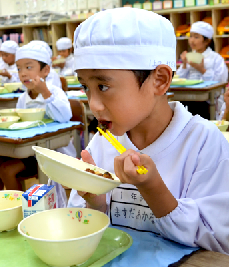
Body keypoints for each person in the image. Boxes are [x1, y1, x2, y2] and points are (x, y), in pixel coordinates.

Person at [68, 8, 229, 254]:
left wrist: (153, 188)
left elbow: (219, 242)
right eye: (85, 87)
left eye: (103, 86)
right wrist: (96, 202)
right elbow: (80, 225)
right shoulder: (103, 142)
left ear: (160, 80)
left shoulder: (203, 143)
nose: (93, 105)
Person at [0, 41, 72, 193]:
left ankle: (20, 211)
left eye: (29, 67)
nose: (23, 73)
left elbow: (65, 117)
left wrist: (46, 94)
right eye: (19, 69)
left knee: (7, 170)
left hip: (49, 151)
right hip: (26, 148)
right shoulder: (23, 98)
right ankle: (2, 203)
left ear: (46, 70)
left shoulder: (55, 92)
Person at [176, 21, 228, 119]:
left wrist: (201, 69)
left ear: (207, 41)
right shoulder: (189, 56)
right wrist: (184, 64)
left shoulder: (216, 58)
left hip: (207, 101)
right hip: (188, 97)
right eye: (190, 36)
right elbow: (180, 79)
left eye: (196, 37)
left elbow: (221, 81)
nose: (191, 40)